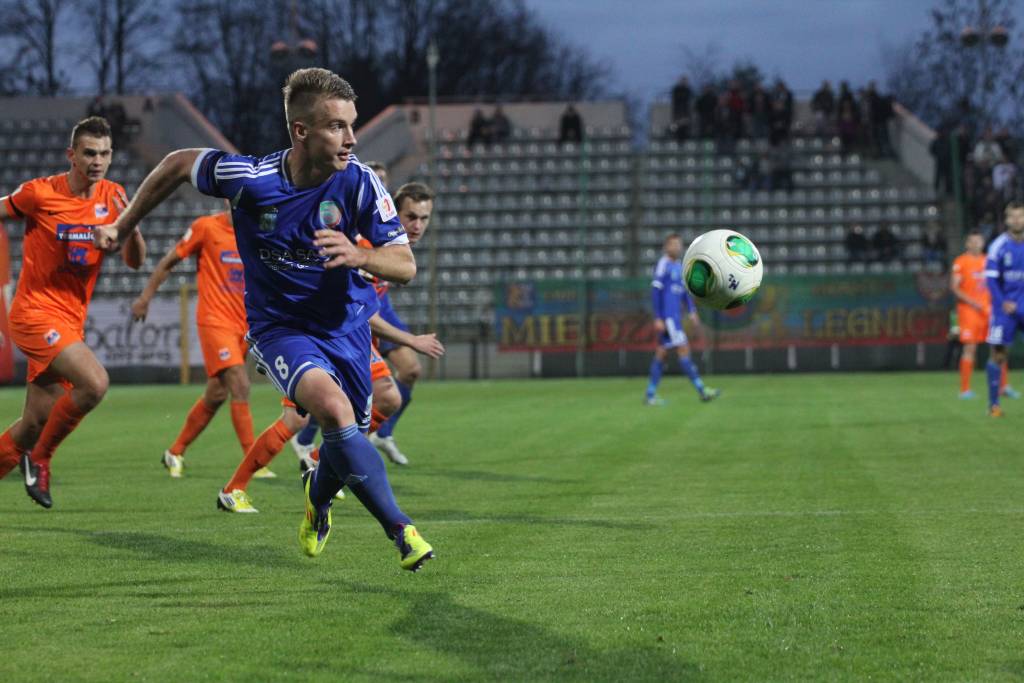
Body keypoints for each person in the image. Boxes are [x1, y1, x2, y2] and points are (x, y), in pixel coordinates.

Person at [94, 68, 434, 570]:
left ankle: (317, 502)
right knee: (334, 412)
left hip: (346, 330)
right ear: (301, 131)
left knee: (343, 444)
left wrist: (360, 255)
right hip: (281, 330)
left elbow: (404, 265)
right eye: (336, 126)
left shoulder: (359, 182)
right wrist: (123, 226)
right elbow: (178, 163)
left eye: (351, 124)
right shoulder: (252, 180)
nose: (351, 138)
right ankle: (402, 532)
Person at [0, 116, 145, 508]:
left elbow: (136, 261)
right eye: (89, 153)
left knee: (33, 424)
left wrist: (126, 227)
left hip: (69, 322)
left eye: (104, 154)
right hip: (33, 313)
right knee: (95, 384)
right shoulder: (39, 193)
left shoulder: (114, 197)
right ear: (72, 155)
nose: (97, 161)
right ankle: (40, 459)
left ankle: (32, 450)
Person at [218, 314, 444, 512]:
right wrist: (411, 340)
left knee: (388, 398)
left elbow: (368, 302)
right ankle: (233, 489)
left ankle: (318, 462)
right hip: (315, 332)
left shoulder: (371, 281)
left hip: (350, 332)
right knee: (296, 419)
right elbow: (363, 306)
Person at [130, 205, 268, 480]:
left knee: (216, 394)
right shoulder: (206, 227)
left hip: (243, 325)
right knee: (240, 385)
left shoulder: (255, 233)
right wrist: (145, 297)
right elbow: (169, 261)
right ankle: (253, 462)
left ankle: (175, 451)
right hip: (214, 321)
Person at [369, 183, 436, 465]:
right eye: (410, 217)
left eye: (424, 218)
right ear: (394, 214)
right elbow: (360, 311)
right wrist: (412, 340)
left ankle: (382, 434)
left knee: (409, 371)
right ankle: (309, 447)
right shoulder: (373, 243)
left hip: (375, 311)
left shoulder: (398, 245)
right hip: (347, 322)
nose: (417, 226)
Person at [644, 234, 719, 405]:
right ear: (666, 247)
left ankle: (650, 395)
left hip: (675, 318)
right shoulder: (663, 264)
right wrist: (658, 317)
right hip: (668, 318)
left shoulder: (679, 266)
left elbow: (684, 293)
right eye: (673, 244)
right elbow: (656, 291)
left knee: (662, 354)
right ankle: (702, 390)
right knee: (683, 350)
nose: (677, 247)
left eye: (679, 244)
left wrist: (692, 311)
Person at [984, 201, 1024, 417]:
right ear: (1007, 220)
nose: (1017, 220)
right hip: (1005, 308)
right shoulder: (998, 246)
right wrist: (1002, 302)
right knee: (998, 354)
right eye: (1013, 216)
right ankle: (994, 405)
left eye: (1020, 216)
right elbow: (991, 280)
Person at [951, 232, 990, 399]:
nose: (975, 244)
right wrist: (973, 302)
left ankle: (1003, 387)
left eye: (978, 241)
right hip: (969, 310)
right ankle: (965, 389)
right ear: (967, 244)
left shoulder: (989, 260)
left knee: (998, 347)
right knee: (970, 348)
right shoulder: (961, 261)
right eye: (972, 241)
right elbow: (955, 287)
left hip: (988, 310)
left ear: (983, 242)